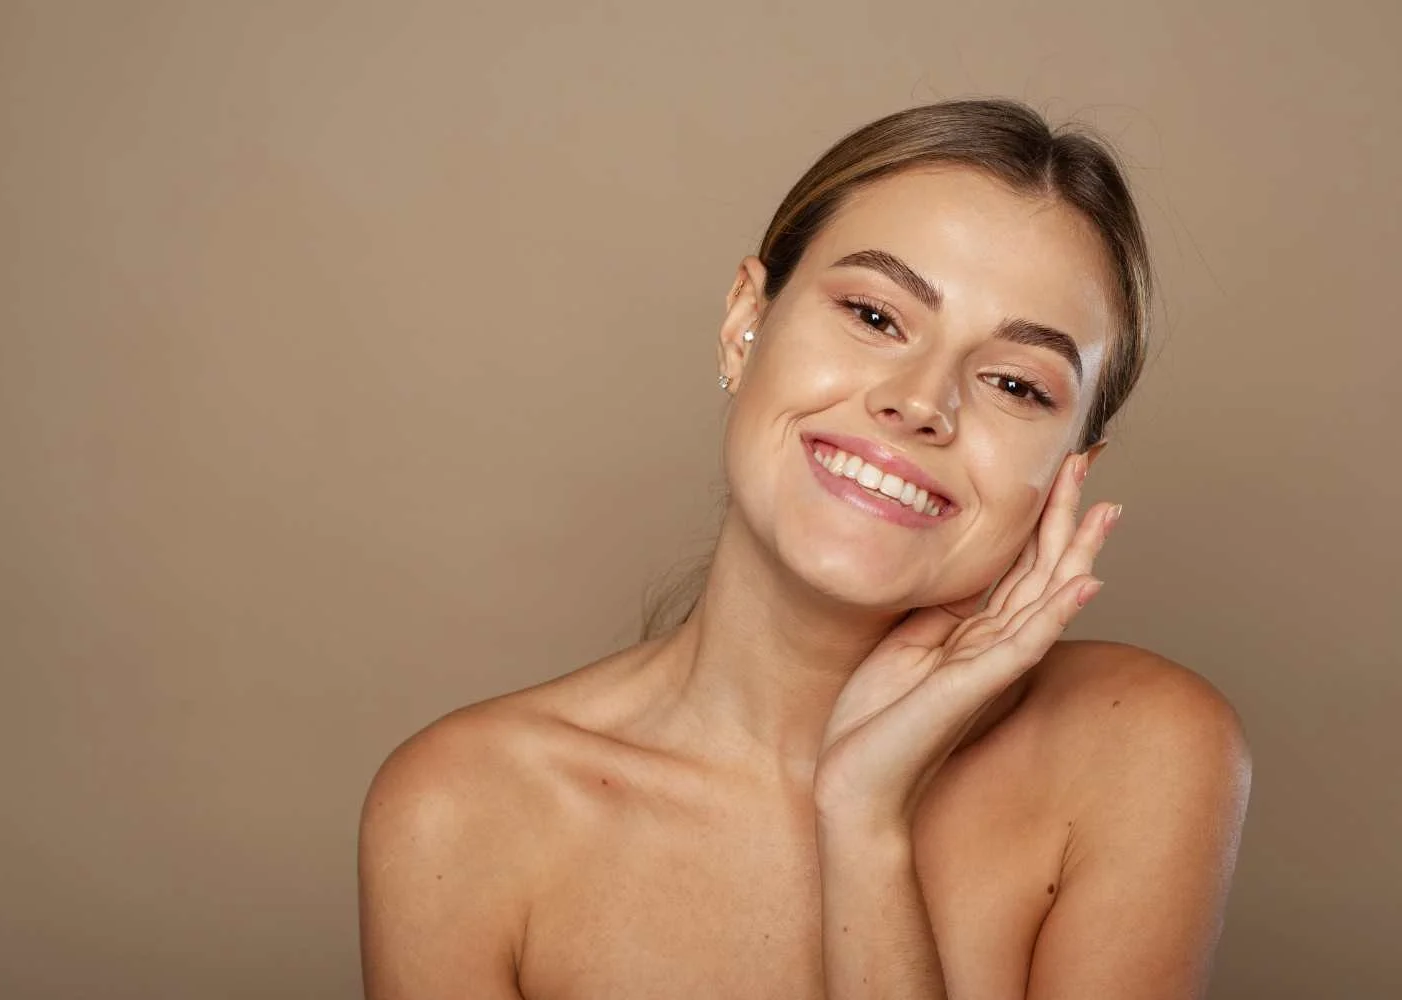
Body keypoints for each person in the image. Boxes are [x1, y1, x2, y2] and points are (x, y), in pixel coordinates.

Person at [358, 98, 1252, 999]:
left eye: (1017, 384)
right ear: (743, 324)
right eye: (874, 316)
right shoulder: (464, 812)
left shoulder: (1140, 748)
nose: (921, 402)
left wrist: (865, 819)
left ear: (1071, 471)